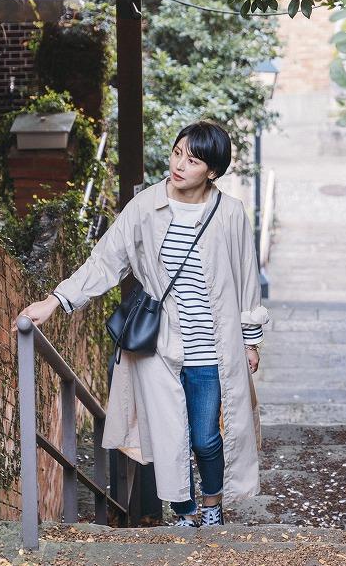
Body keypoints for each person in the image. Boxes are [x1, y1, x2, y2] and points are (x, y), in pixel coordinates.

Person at [15, 120, 267, 526]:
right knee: (169, 437)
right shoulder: (146, 207)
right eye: (177, 153)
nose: (180, 165)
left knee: (206, 438)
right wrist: (55, 300)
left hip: (212, 350)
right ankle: (184, 514)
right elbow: (105, 260)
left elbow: (246, 281)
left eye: (193, 160)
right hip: (160, 346)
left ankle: (212, 506)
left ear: (213, 172)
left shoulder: (230, 214)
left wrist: (251, 341)